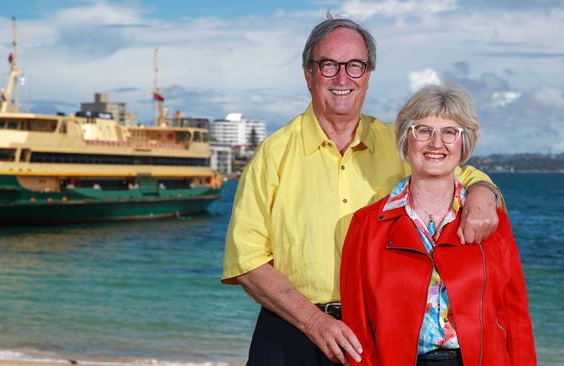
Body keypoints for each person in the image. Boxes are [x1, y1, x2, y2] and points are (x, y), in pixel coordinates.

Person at [222, 15, 502, 366]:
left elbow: (462, 172)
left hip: (373, 331)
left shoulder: (399, 144)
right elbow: (247, 261)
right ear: (309, 74)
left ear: (368, 76)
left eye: (355, 66)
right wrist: (314, 321)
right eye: (328, 65)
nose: (342, 78)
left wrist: (482, 195)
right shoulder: (274, 153)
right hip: (289, 329)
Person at [340, 84, 536, 365]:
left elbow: (515, 317)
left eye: (449, 132)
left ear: (463, 143)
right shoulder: (366, 225)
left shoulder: (492, 219)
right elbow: (358, 329)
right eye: (423, 130)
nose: (436, 143)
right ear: (406, 141)